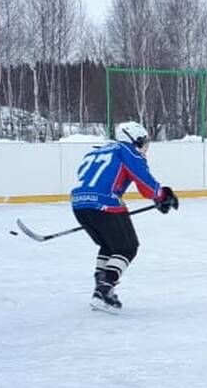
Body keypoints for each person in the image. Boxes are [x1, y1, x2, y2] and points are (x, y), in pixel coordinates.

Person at [69, 121, 178, 313]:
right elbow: (144, 183)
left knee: (109, 246)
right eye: (143, 141)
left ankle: (101, 288)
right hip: (105, 204)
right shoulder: (127, 150)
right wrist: (162, 195)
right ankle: (103, 290)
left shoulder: (97, 151)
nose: (144, 147)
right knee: (127, 247)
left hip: (79, 204)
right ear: (134, 139)